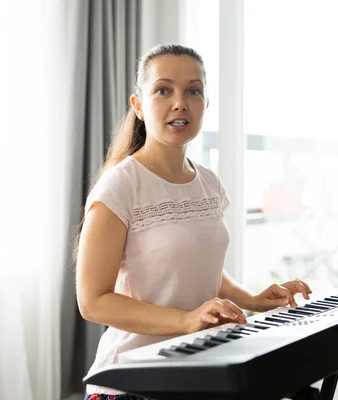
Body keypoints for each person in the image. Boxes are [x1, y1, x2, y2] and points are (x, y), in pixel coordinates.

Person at [75, 44, 312, 400]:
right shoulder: (120, 186)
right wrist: (186, 319)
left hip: (197, 367)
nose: (179, 102)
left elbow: (197, 268)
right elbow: (93, 302)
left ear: (205, 103)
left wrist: (252, 299)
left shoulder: (208, 182)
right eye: (163, 90)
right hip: (131, 380)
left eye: (193, 91)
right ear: (138, 106)